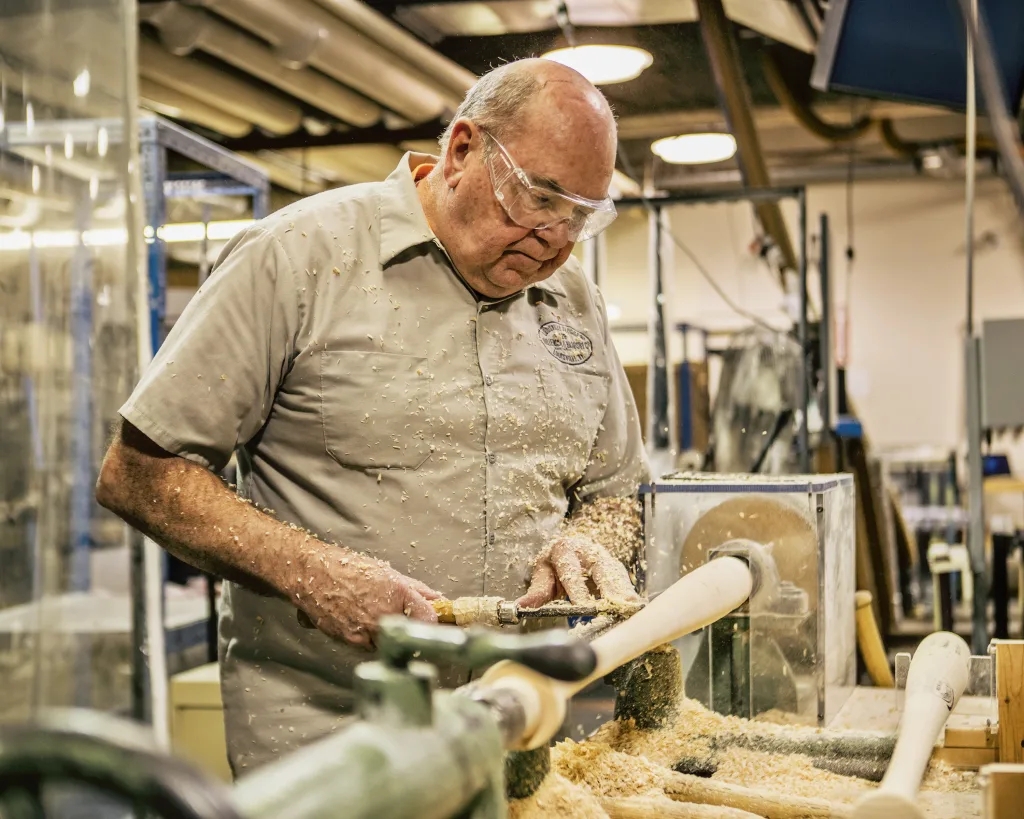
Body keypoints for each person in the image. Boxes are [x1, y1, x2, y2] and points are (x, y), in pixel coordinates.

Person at [96, 58, 649, 774]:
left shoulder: (573, 299)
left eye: (581, 215)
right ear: (461, 151)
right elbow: (139, 473)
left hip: (518, 738)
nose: (555, 237)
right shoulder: (298, 259)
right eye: (537, 196)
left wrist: (589, 537)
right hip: (334, 750)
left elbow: (615, 494)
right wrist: (310, 569)